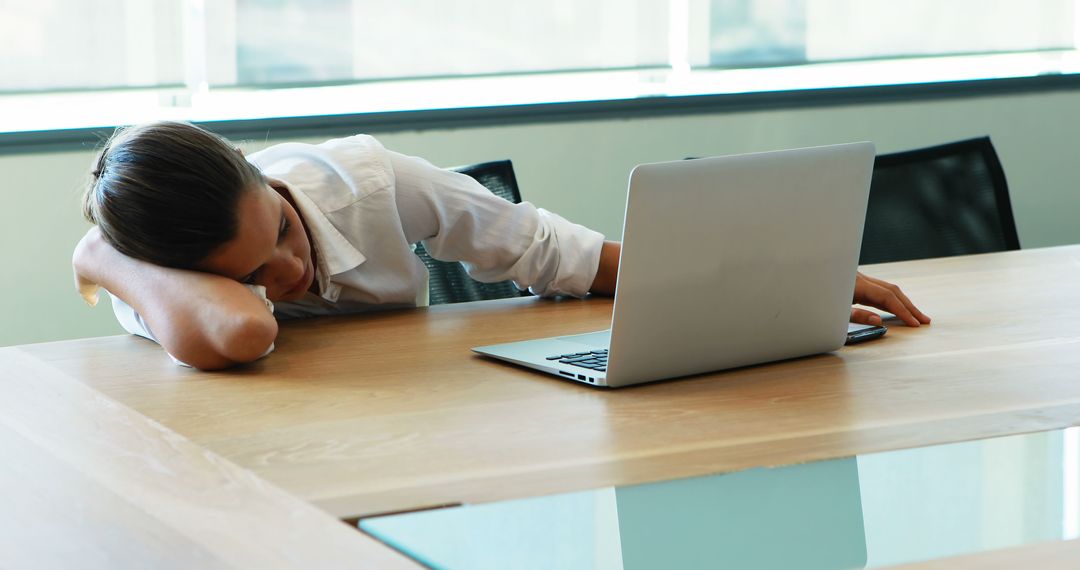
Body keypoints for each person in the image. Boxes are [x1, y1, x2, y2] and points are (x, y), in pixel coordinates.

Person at [73, 121, 930, 370]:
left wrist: (787, 282)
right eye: (254, 274)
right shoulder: (159, 265)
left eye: (285, 232)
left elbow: (570, 258)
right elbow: (241, 335)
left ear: (260, 176)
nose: (290, 273)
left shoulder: (374, 182)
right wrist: (106, 258)